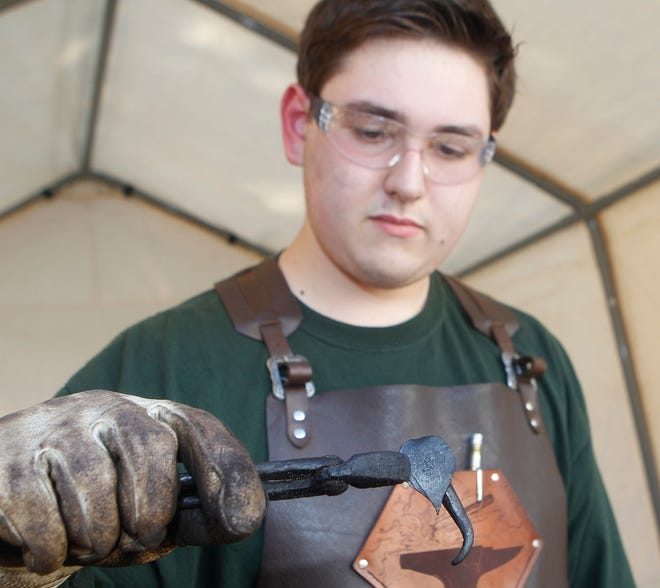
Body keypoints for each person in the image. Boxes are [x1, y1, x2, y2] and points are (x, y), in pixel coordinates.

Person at [0, 0, 634, 586]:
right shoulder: (162, 366)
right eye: (373, 130)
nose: (410, 181)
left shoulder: (529, 361)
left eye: (450, 146)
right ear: (300, 124)